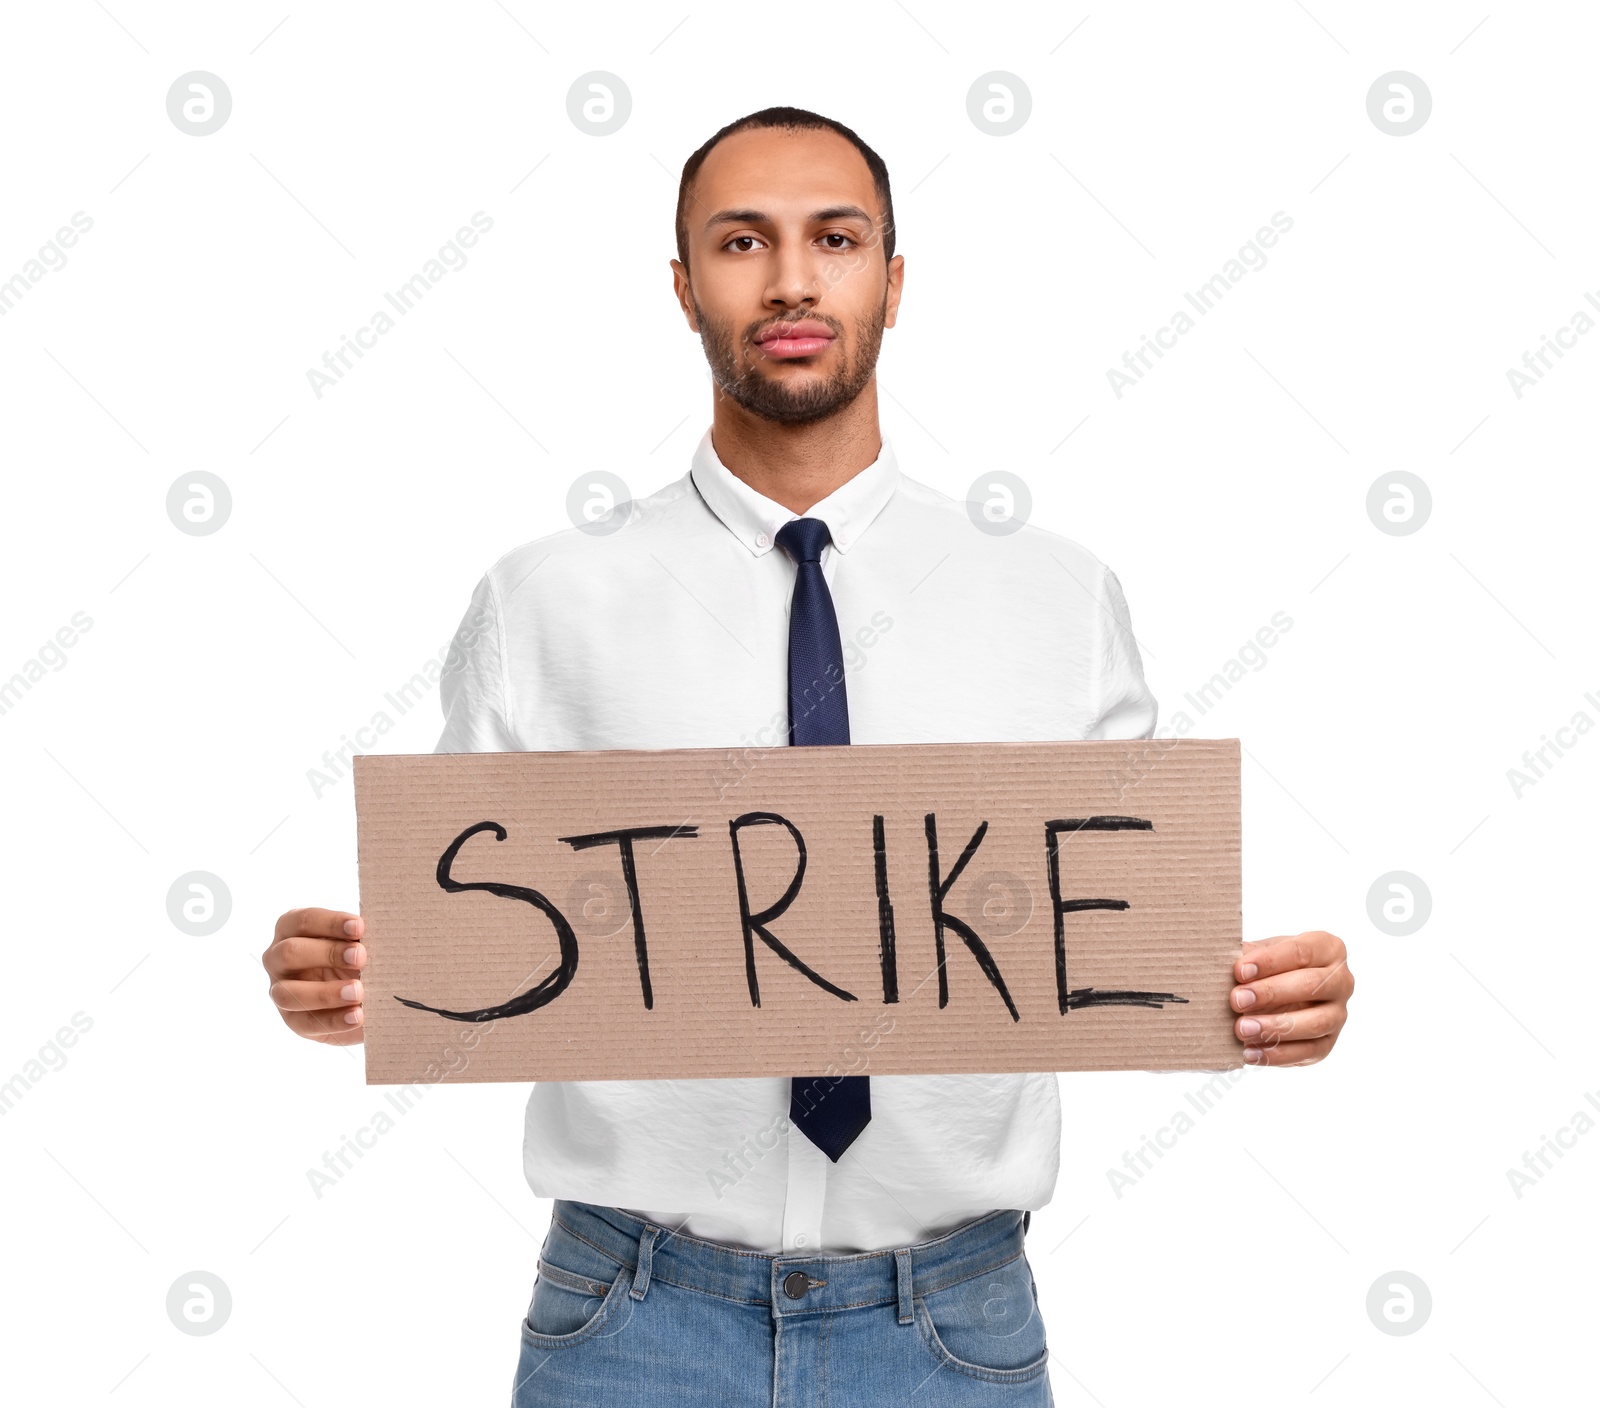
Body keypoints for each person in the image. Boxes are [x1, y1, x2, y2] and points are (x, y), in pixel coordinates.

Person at [262, 107, 1354, 1405]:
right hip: (629, 1327)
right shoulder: (547, 600)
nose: (790, 280)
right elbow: (459, 950)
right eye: (741, 242)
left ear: (893, 282)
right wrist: (342, 981)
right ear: (683, 289)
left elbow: (1126, 936)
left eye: (834, 240)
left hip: (955, 1327)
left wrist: (1278, 997)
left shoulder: (1057, 597)